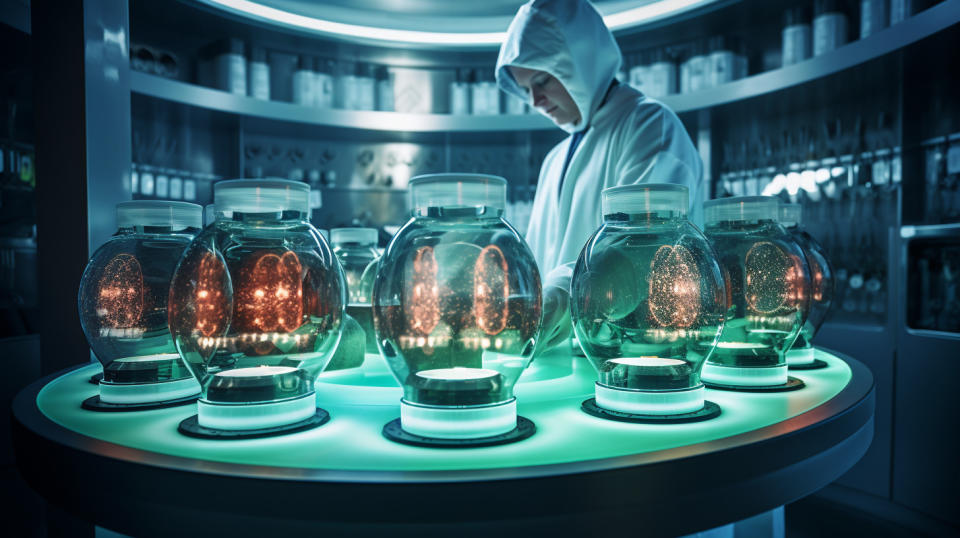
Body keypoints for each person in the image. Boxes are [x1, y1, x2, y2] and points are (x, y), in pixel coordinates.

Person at [496, 0, 704, 352]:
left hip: (642, 356)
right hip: (559, 355)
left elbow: (641, 246)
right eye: (526, 88)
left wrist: (561, 296)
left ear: (581, 62)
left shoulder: (649, 125)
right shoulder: (555, 158)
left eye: (543, 80)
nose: (535, 99)